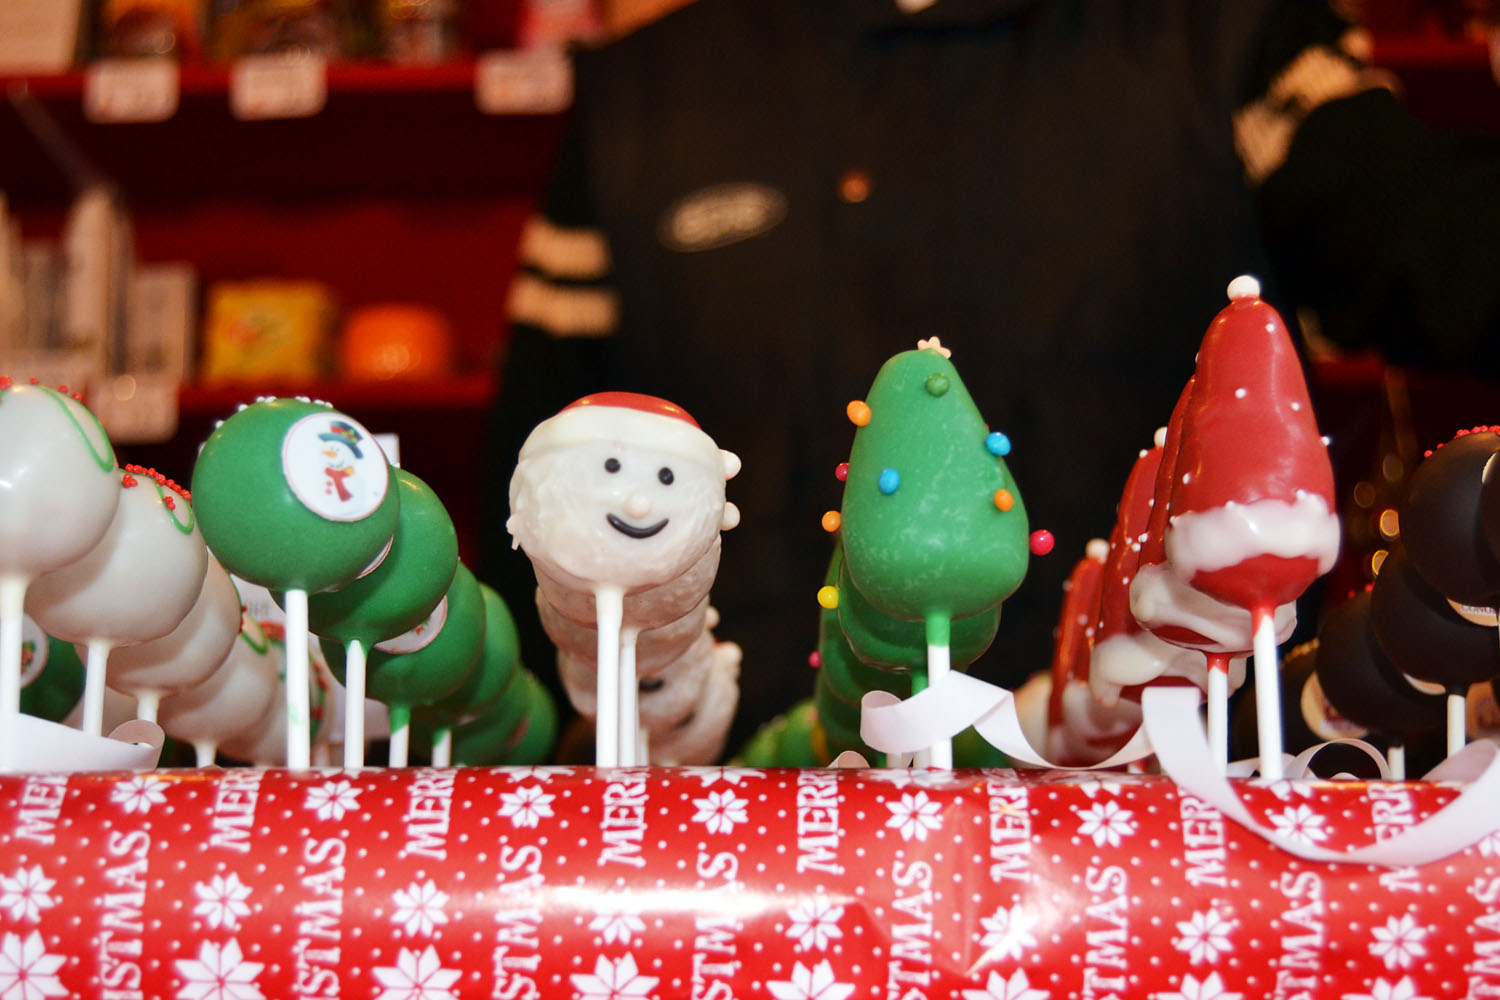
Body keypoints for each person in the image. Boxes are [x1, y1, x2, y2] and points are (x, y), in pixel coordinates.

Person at [480, 0, 1500, 757]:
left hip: (1154, 823)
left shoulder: (1228, 37)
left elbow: (1440, 255)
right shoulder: (645, 95)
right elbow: (528, 499)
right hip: (727, 824)